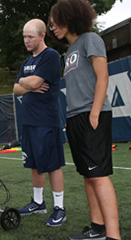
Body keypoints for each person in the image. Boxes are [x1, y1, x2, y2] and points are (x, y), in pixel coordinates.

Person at [48, 0, 121, 239]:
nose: (53, 28)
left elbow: (103, 77)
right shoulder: (68, 51)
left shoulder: (91, 39)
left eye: (56, 22)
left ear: (70, 17)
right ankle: (98, 229)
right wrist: (73, 118)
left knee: (98, 176)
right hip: (75, 117)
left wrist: (94, 112)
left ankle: (113, 235)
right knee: (88, 177)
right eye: (51, 24)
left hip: (93, 115)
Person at [13, 19, 66, 227]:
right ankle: (38, 202)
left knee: (52, 164)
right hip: (29, 120)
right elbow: (16, 88)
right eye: (24, 36)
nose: (26, 40)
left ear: (42, 36)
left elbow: (30, 83)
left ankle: (59, 208)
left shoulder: (51, 56)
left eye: (30, 37)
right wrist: (28, 85)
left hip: (47, 119)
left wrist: (27, 83)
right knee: (34, 163)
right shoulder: (26, 62)